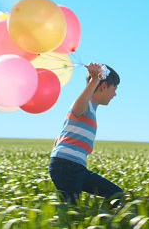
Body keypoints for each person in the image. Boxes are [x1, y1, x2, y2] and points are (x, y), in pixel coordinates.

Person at [48, 62, 123, 209]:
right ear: (104, 86)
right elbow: (76, 110)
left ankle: (102, 221)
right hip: (68, 167)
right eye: (115, 88)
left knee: (115, 193)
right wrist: (94, 79)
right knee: (72, 214)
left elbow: (60, 138)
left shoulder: (92, 108)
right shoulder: (86, 104)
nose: (115, 94)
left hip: (74, 167)